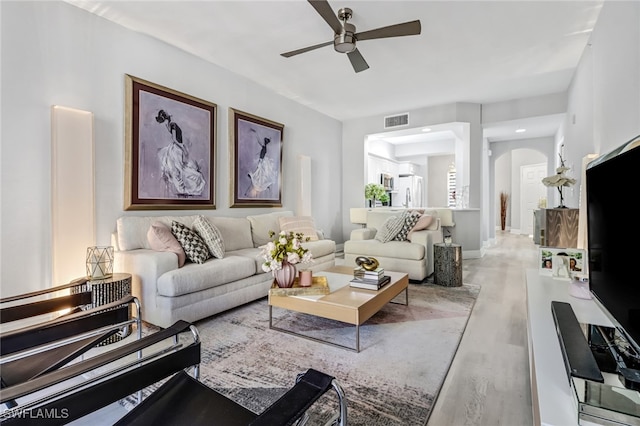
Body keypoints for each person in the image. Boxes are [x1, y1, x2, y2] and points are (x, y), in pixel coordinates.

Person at [155, 110, 205, 197]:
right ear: (166, 116)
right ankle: (185, 187)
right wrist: (182, 147)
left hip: (176, 148)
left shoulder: (168, 125)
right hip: (177, 148)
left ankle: (183, 187)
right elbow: (174, 139)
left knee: (180, 168)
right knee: (181, 168)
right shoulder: (173, 125)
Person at [245, 128, 276, 197]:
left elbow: (259, 141)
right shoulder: (264, 147)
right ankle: (255, 189)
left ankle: (257, 189)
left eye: (265, 141)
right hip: (261, 161)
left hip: (262, 161)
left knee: (260, 175)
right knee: (259, 175)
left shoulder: (264, 147)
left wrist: (255, 132)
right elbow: (259, 142)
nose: (264, 142)